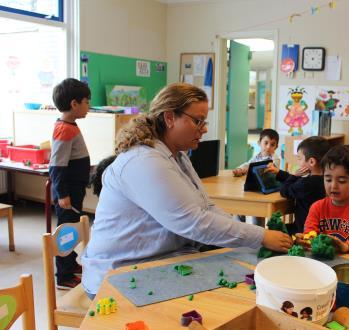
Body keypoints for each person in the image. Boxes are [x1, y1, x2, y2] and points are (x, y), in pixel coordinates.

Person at [81, 83, 292, 298]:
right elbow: (194, 222)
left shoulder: (178, 155)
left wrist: (254, 235)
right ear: (170, 117)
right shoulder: (144, 161)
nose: (204, 128)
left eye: (204, 121)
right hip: (120, 276)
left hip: (164, 259)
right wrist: (260, 236)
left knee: (247, 272)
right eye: (197, 121)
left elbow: (205, 206)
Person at [296, 145, 349, 256]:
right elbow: (310, 234)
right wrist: (305, 240)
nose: (333, 186)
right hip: (324, 263)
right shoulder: (317, 207)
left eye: (341, 181)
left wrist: (346, 246)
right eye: (328, 179)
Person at [49, 78, 91, 289]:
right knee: (66, 232)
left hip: (75, 188)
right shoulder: (65, 129)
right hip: (68, 191)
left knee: (72, 228)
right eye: (86, 101)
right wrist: (62, 193)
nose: (88, 106)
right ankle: (64, 276)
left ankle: (69, 264)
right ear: (74, 104)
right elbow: (57, 166)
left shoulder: (70, 126)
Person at [266, 136, 330, 234]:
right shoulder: (326, 180)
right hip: (319, 230)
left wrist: (294, 176)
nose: (298, 162)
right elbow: (296, 183)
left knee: (271, 232)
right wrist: (280, 173)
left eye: (299, 159)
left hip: (302, 232)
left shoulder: (306, 184)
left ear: (311, 162)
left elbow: (285, 191)